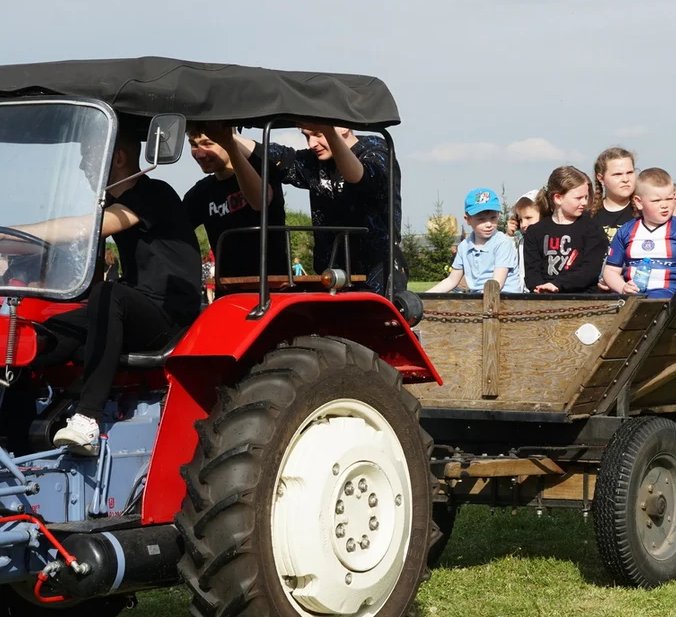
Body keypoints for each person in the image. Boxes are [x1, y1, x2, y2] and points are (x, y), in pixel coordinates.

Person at [5, 126, 202, 452]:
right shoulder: (112, 203)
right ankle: (15, 439)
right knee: (43, 334)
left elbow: (86, 229)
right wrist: (11, 246)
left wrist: (13, 231)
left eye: (88, 158)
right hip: (133, 308)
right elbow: (69, 251)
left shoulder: (153, 194)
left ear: (119, 157)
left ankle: (87, 418)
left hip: (169, 316)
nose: (83, 168)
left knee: (109, 294)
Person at [243, 125, 407, 294]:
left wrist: (329, 130)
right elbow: (277, 155)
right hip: (331, 277)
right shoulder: (315, 162)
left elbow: (363, 177)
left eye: (318, 134)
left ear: (343, 127)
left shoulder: (376, 151)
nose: (312, 144)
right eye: (306, 136)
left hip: (377, 277)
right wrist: (229, 141)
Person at [183, 123, 289, 279]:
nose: (200, 154)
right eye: (193, 145)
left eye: (208, 144)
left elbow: (260, 201)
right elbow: (174, 232)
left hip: (271, 285)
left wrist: (231, 146)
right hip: (228, 288)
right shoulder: (199, 194)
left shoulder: (263, 169)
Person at [603, 168, 676, 305]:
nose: (665, 205)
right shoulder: (626, 230)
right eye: (656, 201)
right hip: (630, 299)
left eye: (669, 198)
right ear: (639, 202)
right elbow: (611, 270)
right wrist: (623, 287)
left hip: (667, 297)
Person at [524, 166, 608, 293]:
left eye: (586, 197)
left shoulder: (592, 228)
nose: (584, 202)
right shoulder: (535, 232)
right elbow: (532, 272)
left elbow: (590, 270)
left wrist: (557, 285)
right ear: (558, 198)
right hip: (543, 299)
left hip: (583, 298)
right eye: (578, 198)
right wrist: (540, 287)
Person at [427, 188, 523, 294]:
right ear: (467, 219)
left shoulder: (502, 243)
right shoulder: (464, 246)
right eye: (481, 219)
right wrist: (424, 297)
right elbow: (451, 280)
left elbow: (497, 283)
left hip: (505, 299)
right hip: (478, 299)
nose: (489, 224)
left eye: (493, 218)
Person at [590, 147, 638, 240]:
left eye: (629, 172)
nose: (625, 179)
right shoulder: (590, 217)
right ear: (601, 178)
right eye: (617, 174)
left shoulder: (645, 213)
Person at [507, 190, 540, 292]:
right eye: (520, 220)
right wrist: (510, 236)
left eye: (528, 218)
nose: (523, 224)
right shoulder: (520, 239)